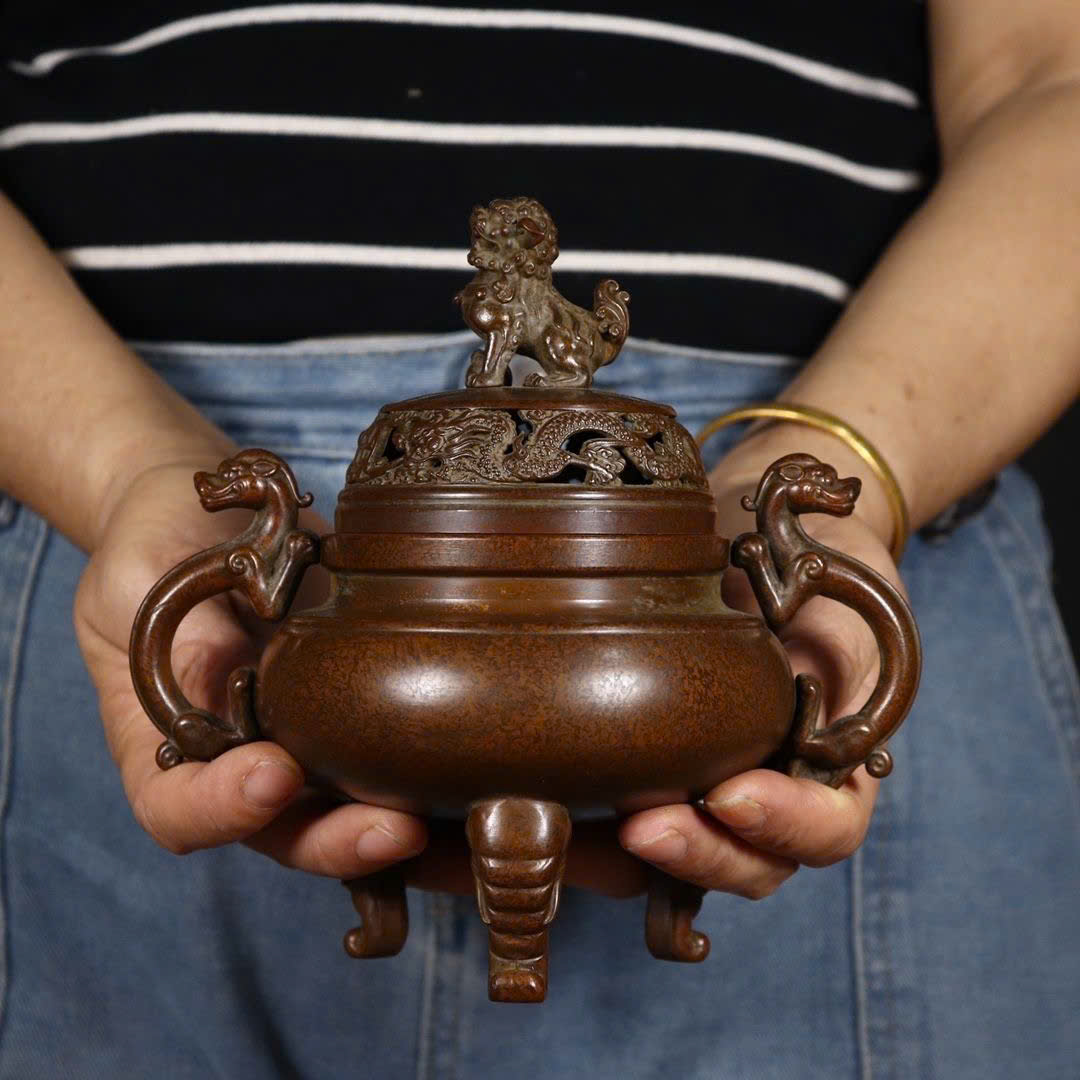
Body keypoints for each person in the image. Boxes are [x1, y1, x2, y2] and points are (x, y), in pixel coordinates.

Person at [1, 2, 1078, 1076]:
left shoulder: (537, 323)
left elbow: (1053, 76)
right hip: (100, 445)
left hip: (849, 440)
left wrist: (839, 469)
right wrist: (127, 470)